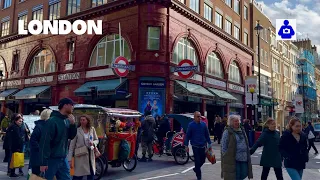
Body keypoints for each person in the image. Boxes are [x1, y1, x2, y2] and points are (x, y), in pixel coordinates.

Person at [39, 98, 77, 180]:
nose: (73, 107)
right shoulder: (52, 121)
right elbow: (45, 142)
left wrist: (73, 124)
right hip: (51, 159)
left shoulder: (67, 120)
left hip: (63, 158)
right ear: (65, 105)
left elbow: (71, 136)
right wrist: (43, 162)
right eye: (72, 105)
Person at [221, 115, 253, 180]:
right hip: (234, 158)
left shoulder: (242, 130)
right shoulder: (227, 132)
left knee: (244, 173)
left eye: (238, 121)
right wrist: (226, 155)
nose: (237, 122)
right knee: (236, 175)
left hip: (244, 157)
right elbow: (223, 145)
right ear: (231, 122)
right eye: (235, 121)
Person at [68, 115, 99, 180]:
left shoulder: (92, 129)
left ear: (87, 121)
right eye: (81, 120)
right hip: (80, 156)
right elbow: (71, 146)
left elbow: (96, 140)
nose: (82, 121)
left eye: (84, 120)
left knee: (91, 175)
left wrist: (93, 143)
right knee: (78, 176)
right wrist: (70, 159)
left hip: (90, 155)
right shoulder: (77, 130)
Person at [184, 111, 211, 180]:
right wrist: (186, 145)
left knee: (203, 160)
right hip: (195, 146)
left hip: (203, 146)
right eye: (198, 116)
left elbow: (207, 135)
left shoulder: (203, 124)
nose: (200, 118)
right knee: (197, 161)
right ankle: (199, 177)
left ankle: (196, 169)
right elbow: (187, 136)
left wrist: (209, 143)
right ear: (194, 117)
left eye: (200, 116)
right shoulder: (191, 125)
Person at [29, 109, 52, 176]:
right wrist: (42, 149)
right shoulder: (40, 127)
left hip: (40, 156)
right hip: (38, 157)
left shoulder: (43, 126)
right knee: (37, 175)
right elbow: (33, 141)